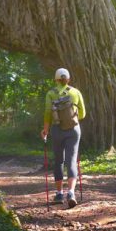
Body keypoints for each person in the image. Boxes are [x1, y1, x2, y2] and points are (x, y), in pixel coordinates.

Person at [40, 68, 86, 208]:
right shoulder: (75, 92)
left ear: (56, 80)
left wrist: (46, 130)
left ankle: (59, 193)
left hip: (57, 130)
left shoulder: (51, 94)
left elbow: (48, 112)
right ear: (68, 79)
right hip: (73, 130)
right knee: (71, 160)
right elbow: (83, 114)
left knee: (59, 161)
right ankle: (71, 193)